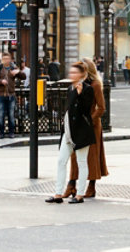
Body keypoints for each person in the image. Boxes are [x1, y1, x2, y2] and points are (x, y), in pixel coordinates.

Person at [47, 61, 97, 204]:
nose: (72, 75)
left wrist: (79, 95)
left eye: (75, 72)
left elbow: (84, 110)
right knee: (61, 161)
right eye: (71, 72)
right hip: (68, 131)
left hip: (81, 131)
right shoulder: (70, 88)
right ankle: (58, 194)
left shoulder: (87, 89)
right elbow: (69, 110)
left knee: (82, 162)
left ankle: (80, 194)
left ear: (82, 74)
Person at [67, 58, 108, 198]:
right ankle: (71, 184)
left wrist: (90, 120)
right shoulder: (77, 84)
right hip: (77, 125)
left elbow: (101, 108)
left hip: (91, 125)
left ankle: (91, 186)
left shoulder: (95, 84)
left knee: (91, 157)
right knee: (74, 156)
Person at [0, 52, 21, 139]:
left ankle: (11, 133)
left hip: (11, 95)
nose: (6, 60)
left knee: (11, 115)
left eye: (7, 59)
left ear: (11, 59)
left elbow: (23, 77)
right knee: (1, 115)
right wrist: (1, 81)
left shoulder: (13, 67)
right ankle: (1, 133)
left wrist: (18, 72)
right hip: (0, 95)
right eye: (4, 59)